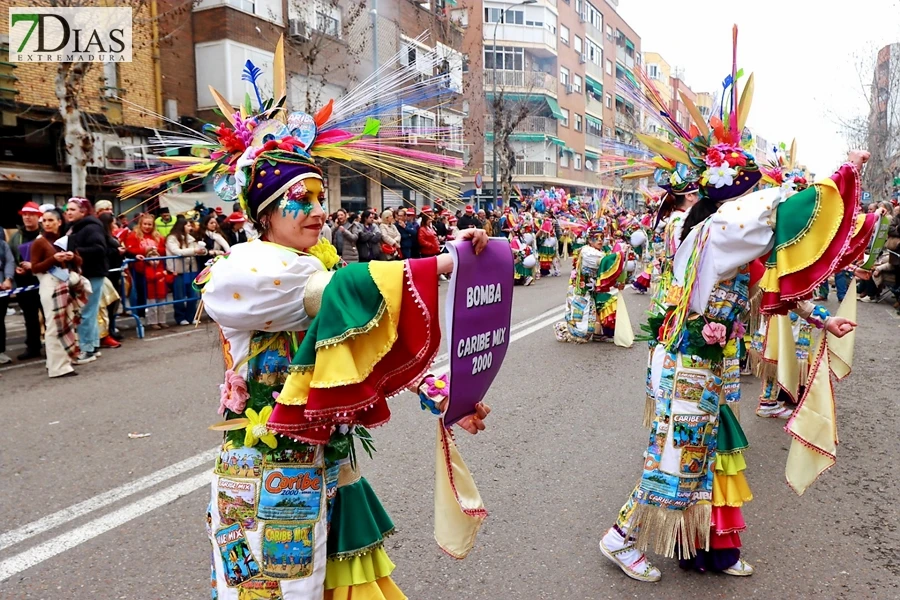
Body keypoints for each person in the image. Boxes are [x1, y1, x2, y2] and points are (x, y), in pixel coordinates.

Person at [117, 52, 494, 598]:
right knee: (276, 588)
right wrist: (442, 264)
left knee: (324, 579)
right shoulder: (238, 272)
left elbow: (365, 332)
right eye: (300, 200)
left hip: (322, 458)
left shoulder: (320, 267)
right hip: (267, 465)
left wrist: (449, 393)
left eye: (321, 197)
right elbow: (334, 296)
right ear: (263, 214)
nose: (317, 211)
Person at [600, 118, 866, 583]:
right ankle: (619, 537)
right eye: (751, 192)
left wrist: (823, 320)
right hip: (689, 361)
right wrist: (844, 171)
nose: (758, 201)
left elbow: (778, 291)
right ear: (736, 200)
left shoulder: (725, 241)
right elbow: (782, 210)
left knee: (706, 457)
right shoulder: (720, 232)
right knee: (675, 458)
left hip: (710, 363)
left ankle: (703, 544)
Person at [29, 208, 84, 377]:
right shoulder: (39, 242)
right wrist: (54, 259)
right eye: (44, 220)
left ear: (59, 222)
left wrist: (71, 257)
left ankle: (64, 362)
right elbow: (34, 267)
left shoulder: (66, 240)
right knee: (54, 326)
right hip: (49, 284)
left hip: (65, 283)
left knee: (67, 323)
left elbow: (80, 260)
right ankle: (56, 368)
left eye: (50, 220)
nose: (47, 224)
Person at [554, 223, 631, 345]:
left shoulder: (599, 251)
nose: (600, 240)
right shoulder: (587, 252)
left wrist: (616, 283)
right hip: (581, 291)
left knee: (607, 303)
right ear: (589, 240)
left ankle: (598, 333)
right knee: (582, 331)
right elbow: (605, 263)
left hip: (593, 289)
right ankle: (564, 329)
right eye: (596, 238)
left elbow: (603, 273)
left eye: (602, 237)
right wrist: (620, 253)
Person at [65, 197, 109, 364]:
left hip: (92, 274)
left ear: (82, 211)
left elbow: (99, 249)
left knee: (85, 312)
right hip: (86, 273)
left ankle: (87, 349)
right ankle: (94, 345)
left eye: (72, 209)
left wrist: (76, 252)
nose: (68, 212)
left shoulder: (91, 227)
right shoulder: (76, 227)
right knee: (89, 311)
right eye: (67, 209)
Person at [8, 201, 45, 361]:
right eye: (25, 215)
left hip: (44, 280)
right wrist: (17, 268)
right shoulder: (17, 237)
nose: (27, 218)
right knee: (30, 317)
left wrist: (36, 265)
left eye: (31, 214)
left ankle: (53, 346)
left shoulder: (45, 234)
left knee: (49, 315)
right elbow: (11, 257)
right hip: (24, 283)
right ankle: (33, 347)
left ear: (39, 217)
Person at [125, 213, 168, 328]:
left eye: (150, 224)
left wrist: (155, 250)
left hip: (156, 269)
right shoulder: (134, 235)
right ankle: (142, 317)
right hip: (139, 270)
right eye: (145, 224)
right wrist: (144, 250)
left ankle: (159, 319)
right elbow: (130, 250)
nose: (147, 227)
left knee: (159, 295)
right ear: (140, 224)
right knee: (142, 294)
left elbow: (164, 250)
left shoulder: (158, 236)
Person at [166, 216, 207, 325]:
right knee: (179, 296)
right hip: (178, 270)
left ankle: (191, 316)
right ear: (182, 226)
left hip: (191, 269)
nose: (190, 227)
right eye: (188, 225)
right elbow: (177, 251)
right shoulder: (172, 238)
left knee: (193, 295)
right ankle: (180, 317)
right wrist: (194, 250)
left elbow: (200, 250)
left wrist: (202, 251)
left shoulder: (191, 238)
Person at [98, 212, 124, 347]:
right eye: (113, 223)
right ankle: (106, 332)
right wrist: (117, 251)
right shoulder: (102, 237)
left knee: (114, 304)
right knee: (107, 305)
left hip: (116, 273)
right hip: (108, 274)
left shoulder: (111, 237)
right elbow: (104, 252)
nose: (115, 225)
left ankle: (111, 328)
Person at [0, 234, 15, 364]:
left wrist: (8, 278)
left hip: (2, 287)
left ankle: (0, 351)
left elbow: (9, 261)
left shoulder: (2, 244)